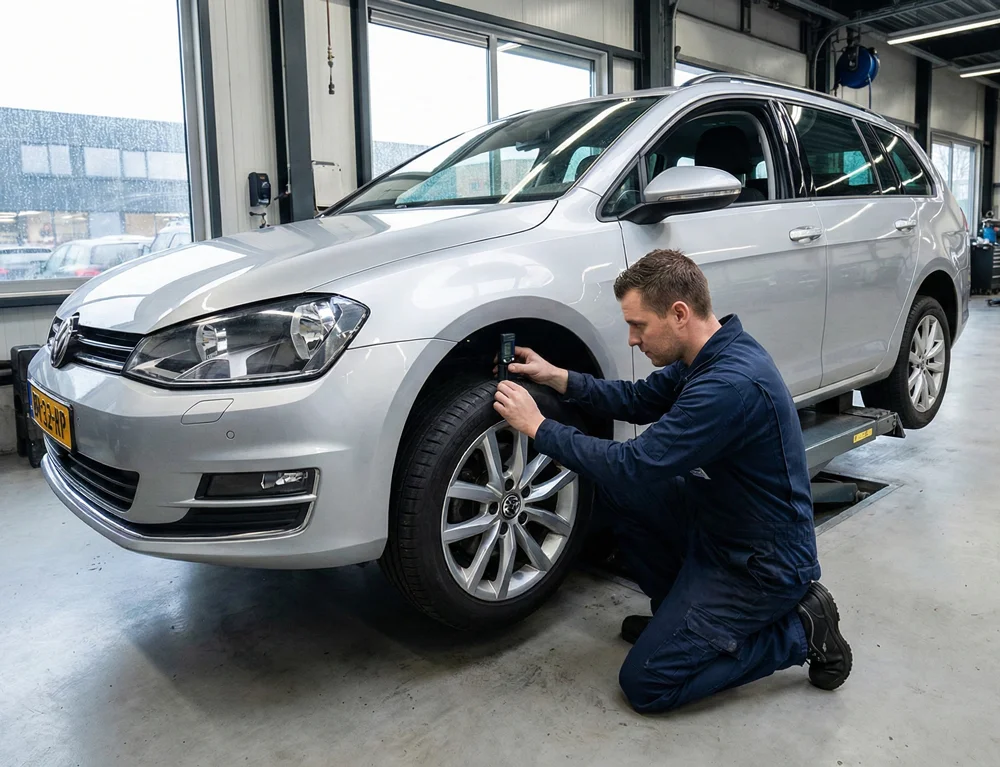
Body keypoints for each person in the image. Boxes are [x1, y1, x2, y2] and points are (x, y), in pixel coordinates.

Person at [493, 248, 852, 714]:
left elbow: (634, 463)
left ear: (679, 314)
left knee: (646, 684)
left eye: (638, 325)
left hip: (759, 564)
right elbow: (638, 400)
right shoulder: (705, 356)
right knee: (618, 492)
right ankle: (680, 622)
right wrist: (558, 377)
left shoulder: (728, 386)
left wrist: (539, 427)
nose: (631, 339)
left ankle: (799, 630)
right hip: (718, 523)